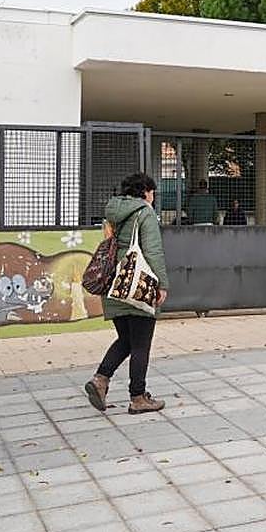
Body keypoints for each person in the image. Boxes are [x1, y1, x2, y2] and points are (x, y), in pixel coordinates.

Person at [85, 172, 169, 414]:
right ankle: (138, 397)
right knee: (141, 343)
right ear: (144, 192)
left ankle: (100, 380)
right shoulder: (144, 213)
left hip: (113, 284)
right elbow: (152, 251)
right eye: (152, 192)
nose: (153, 197)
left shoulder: (112, 213)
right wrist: (161, 284)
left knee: (126, 340)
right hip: (136, 284)